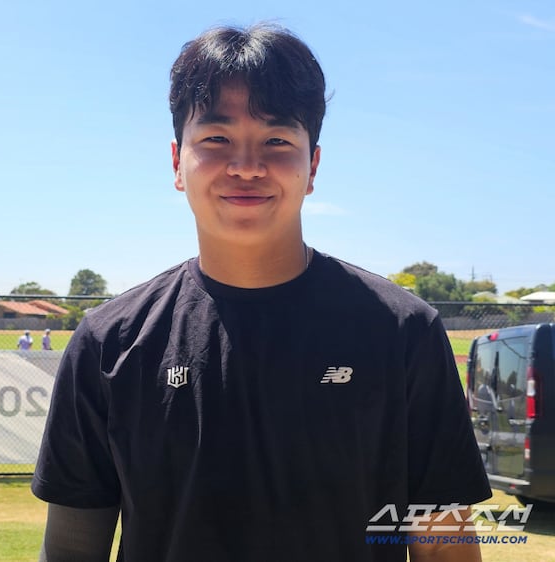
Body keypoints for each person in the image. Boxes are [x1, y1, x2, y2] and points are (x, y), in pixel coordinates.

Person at [32, 23, 492, 562]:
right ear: (177, 162)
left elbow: (442, 546)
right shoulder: (108, 342)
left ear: (312, 166)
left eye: (277, 141)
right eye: (216, 139)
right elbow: (70, 548)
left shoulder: (403, 332)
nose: (246, 166)